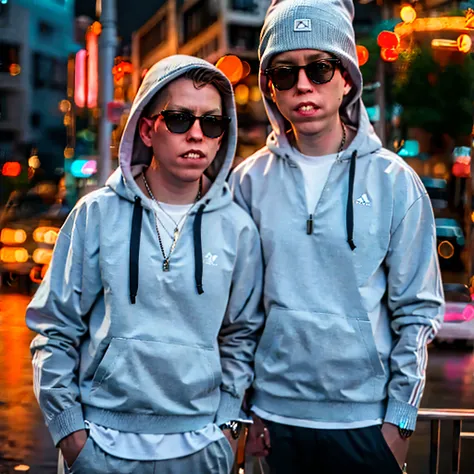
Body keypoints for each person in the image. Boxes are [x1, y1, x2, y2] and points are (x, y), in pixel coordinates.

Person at [229, 1, 444, 472]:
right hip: (274, 421)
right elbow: (240, 314)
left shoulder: (393, 180)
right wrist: (242, 410)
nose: (302, 84)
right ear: (270, 88)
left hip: (367, 424)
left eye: (319, 68)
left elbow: (418, 309)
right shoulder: (246, 182)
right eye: (284, 73)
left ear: (346, 77)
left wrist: (400, 421)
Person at [26, 55, 264, 474]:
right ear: (148, 128)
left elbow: (241, 337)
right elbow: (55, 329)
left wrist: (227, 428)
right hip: (101, 443)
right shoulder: (96, 214)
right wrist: (71, 436)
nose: (196, 134)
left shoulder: (237, 227)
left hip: (201, 447)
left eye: (211, 123)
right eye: (178, 119)